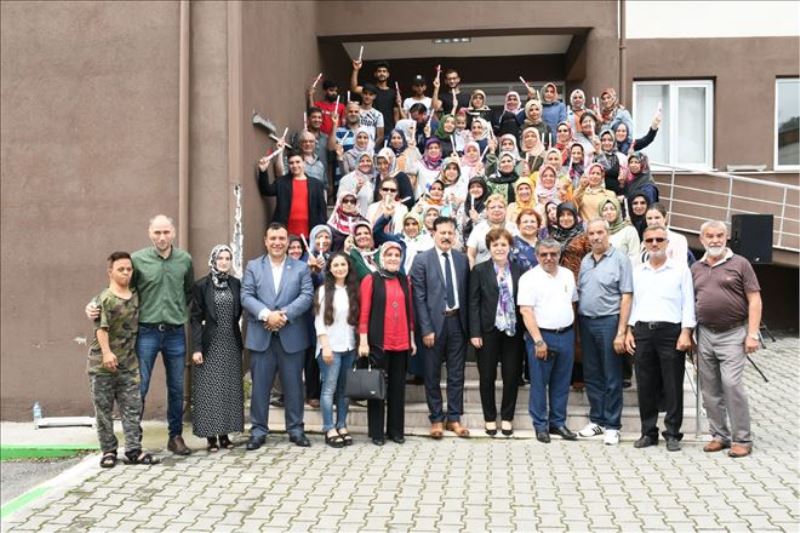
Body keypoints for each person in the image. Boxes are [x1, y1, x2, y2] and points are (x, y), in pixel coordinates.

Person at [86, 215, 194, 455]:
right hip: (147, 332)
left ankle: (175, 437)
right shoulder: (137, 260)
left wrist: (176, 311)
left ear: (173, 233)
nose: (162, 237)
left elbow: (188, 291)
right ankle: (135, 440)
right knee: (139, 387)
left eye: (166, 232)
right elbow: (120, 288)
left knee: (176, 388)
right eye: (157, 232)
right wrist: (93, 304)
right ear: (149, 233)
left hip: (175, 333)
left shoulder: (185, 260)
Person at [691, 220, 762, 458]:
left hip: (733, 333)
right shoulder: (696, 268)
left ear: (726, 237)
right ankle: (719, 435)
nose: (715, 240)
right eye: (710, 236)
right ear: (702, 239)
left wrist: (752, 334)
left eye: (719, 235)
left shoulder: (740, 264)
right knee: (709, 388)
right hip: (704, 333)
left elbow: (754, 299)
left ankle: (742, 439)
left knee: (731, 384)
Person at [241, 223, 314, 450]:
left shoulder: (300, 268)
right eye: (273, 238)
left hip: (291, 336)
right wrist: (267, 315)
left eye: (282, 238)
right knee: (260, 388)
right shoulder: (254, 266)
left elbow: (307, 295)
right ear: (265, 241)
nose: (277, 243)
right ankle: (258, 431)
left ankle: (296, 429)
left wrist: (283, 316)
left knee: (294, 387)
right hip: (261, 336)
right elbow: (246, 295)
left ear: (287, 242)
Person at [625, 225, 696, 452]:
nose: (654, 244)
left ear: (667, 242)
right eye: (649, 240)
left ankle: (673, 433)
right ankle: (648, 432)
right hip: (643, 331)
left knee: (672, 384)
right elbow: (633, 303)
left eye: (659, 239)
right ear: (644, 244)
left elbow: (688, 302)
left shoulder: (680, 270)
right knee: (645, 384)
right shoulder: (637, 271)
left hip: (671, 332)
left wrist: (686, 331)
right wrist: (628, 330)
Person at [88, 251, 157, 468]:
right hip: (102, 365)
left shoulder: (136, 295)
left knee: (132, 408)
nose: (126, 272)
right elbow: (101, 328)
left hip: (128, 365)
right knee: (104, 411)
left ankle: (133, 450)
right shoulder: (104, 299)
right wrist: (107, 353)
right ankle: (108, 451)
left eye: (129, 269)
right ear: (110, 272)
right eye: (121, 269)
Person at [411, 216, 470, 439]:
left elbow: (466, 294)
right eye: (442, 232)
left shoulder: (462, 259)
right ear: (433, 234)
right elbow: (418, 297)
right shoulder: (421, 260)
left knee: (456, 374)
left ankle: (454, 418)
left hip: (457, 323)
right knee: (432, 373)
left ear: (455, 235)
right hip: (433, 326)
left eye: (450, 233)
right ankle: (436, 419)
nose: (446, 237)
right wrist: (426, 328)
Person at [576, 219, 633, 446]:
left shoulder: (620, 259)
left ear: (607, 233)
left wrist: (621, 331)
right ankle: (597, 420)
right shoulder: (586, 260)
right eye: (591, 233)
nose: (596, 237)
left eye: (600, 232)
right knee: (592, 374)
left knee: (611, 375)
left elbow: (627, 296)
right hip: (586, 322)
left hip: (609, 322)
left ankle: (612, 425)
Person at [518, 239, 579, 443]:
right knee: (539, 383)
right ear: (537, 256)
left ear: (559, 255)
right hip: (542, 336)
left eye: (553, 254)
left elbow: (572, 302)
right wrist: (538, 341)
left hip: (566, 334)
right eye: (544, 254)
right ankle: (540, 425)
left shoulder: (568, 275)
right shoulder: (529, 278)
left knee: (562, 382)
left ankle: (558, 423)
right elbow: (526, 311)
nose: (549, 258)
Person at [359, 242, 416, 445]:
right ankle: (377, 433)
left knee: (397, 389)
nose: (393, 258)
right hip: (379, 343)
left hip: (401, 342)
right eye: (389, 254)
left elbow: (410, 312)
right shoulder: (371, 279)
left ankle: (396, 431)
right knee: (377, 388)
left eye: (396, 255)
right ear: (382, 258)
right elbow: (364, 312)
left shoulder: (404, 280)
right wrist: (363, 341)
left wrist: (412, 338)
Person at [469, 228, 524, 437]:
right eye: (495, 245)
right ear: (489, 248)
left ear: (510, 247)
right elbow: (473, 303)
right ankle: (490, 418)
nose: (499, 248)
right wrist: (475, 332)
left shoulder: (520, 270)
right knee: (487, 376)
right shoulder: (479, 270)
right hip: (487, 331)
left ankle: (507, 418)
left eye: (503, 244)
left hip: (513, 332)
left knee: (511, 375)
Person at [189, 245, 244, 452]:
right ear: (213, 260)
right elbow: (195, 319)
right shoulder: (202, 285)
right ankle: (211, 437)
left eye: (227, 258)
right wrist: (197, 348)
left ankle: (225, 434)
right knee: (209, 390)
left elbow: (238, 313)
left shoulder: (236, 284)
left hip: (230, 342)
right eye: (220, 258)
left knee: (228, 390)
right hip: (209, 344)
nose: (224, 262)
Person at [315, 253, 359, 448]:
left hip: (349, 346)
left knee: (344, 390)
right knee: (329, 389)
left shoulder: (353, 290)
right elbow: (319, 321)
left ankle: (342, 425)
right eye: (336, 265)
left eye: (343, 264)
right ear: (330, 269)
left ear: (348, 267)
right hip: (330, 347)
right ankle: (329, 428)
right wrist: (325, 346)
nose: (340, 268)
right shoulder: (323, 290)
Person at [258, 150, 328, 239]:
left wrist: (321, 231)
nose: (295, 165)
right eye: (291, 163)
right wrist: (263, 171)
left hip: (310, 232)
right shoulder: (282, 182)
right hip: (285, 232)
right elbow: (266, 190)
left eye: (298, 162)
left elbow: (322, 210)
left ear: (304, 163)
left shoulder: (316, 184)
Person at [467, 194, 518, 268]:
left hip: (510, 271)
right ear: (487, 211)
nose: (496, 210)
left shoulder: (513, 228)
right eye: (492, 207)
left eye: (500, 207)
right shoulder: (478, 229)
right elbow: (470, 254)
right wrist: (472, 271)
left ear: (505, 210)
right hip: (482, 271)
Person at [351, 60, 398, 136]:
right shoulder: (370, 90)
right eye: (379, 71)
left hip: (389, 130)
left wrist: (396, 130)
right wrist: (356, 70)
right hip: (371, 129)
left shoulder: (393, 92)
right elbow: (354, 88)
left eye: (384, 71)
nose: (382, 73)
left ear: (388, 74)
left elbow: (396, 112)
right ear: (375, 74)